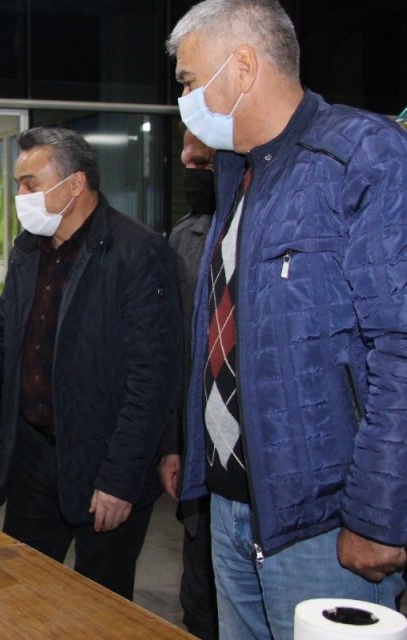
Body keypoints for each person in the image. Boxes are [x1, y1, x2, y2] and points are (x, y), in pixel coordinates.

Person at [167, 1, 407, 637]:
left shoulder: (366, 158)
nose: (182, 97)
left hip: (326, 524)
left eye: (186, 79)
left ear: (243, 67)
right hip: (232, 511)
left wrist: (377, 515)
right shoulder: (241, 174)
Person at [0, 127, 182, 600]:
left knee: (100, 609)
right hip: (33, 458)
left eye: (30, 184)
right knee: (22, 598)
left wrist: (120, 479)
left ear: (75, 185)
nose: (20, 196)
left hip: (103, 462)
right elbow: (0, 335)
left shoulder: (137, 253)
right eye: (18, 184)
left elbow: (153, 380)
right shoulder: (30, 249)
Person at [158, 129, 218, 639]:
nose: (187, 162)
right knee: (201, 604)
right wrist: (172, 444)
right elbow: (175, 354)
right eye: (186, 154)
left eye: (203, 158)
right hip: (201, 456)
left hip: (259, 463)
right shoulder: (185, 238)